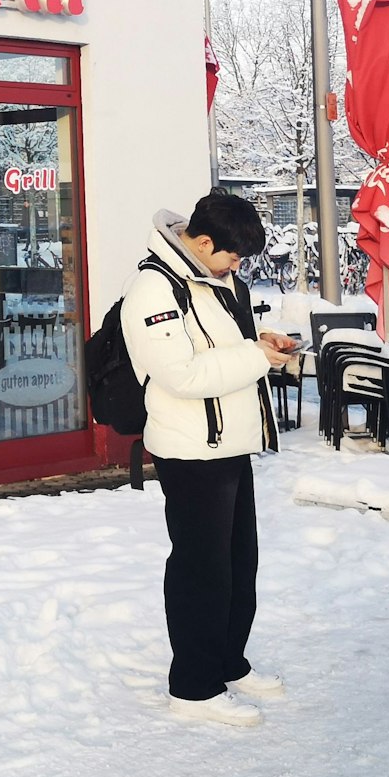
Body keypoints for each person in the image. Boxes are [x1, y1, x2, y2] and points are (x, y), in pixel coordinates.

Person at [121, 193, 296, 727]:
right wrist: (255, 356)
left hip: (232, 442)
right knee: (201, 570)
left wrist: (260, 342)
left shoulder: (216, 279)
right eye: (232, 256)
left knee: (239, 564)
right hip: (191, 451)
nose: (237, 266)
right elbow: (182, 375)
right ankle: (194, 687)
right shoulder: (154, 288)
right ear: (201, 242)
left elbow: (221, 346)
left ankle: (228, 663)